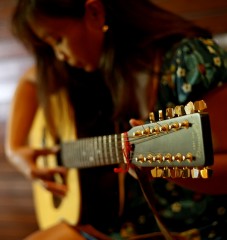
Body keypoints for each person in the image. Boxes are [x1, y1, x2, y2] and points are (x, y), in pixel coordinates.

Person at [5, 0, 227, 239]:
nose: (59, 56)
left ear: (94, 13)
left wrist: (165, 169)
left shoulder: (191, 60)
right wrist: (15, 150)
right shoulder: (99, 67)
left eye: (57, 40)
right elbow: (31, 80)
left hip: (198, 226)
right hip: (129, 225)